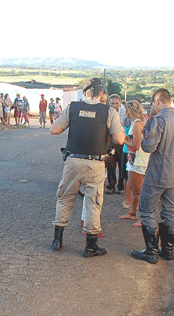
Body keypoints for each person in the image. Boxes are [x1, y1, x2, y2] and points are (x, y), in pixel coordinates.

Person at [50, 78, 125, 258]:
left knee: (65, 198)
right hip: (96, 163)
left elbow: (54, 130)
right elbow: (120, 140)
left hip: (73, 161)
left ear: (84, 93)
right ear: (101, 94)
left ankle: (57, 240)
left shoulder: (73, 108)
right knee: (93, 202)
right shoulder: (109, 111)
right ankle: (90, 247)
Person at [131, 88, 174, 264]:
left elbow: (148, 147)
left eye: (153, 104)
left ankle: (151, 251)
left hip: (158, 171)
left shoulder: (158, 120)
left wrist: (145, 135)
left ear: (157, 101)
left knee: (147, 210)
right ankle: (168, 250)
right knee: (170, 210)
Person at [117, 100, 149, 228]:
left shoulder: (136, 124)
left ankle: (143, 217)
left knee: (139, 189)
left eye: (126, 110)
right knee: (135, 189)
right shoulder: (138, 122)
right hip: (135, 159)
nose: (125, 113)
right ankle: (133, 212)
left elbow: (136, 145)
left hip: (138, 160)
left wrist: (123, 140)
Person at [105, 94, 125, 194]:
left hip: (121, 143)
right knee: (110, 165)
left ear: (120, 103)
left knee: (121, 165)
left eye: (116, 103)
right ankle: (111, 185)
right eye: (112, 103)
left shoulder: (124, 113)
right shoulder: (106, 112)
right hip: (110, 142)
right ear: (109, 103)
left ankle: (121, 186)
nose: (114, 105)